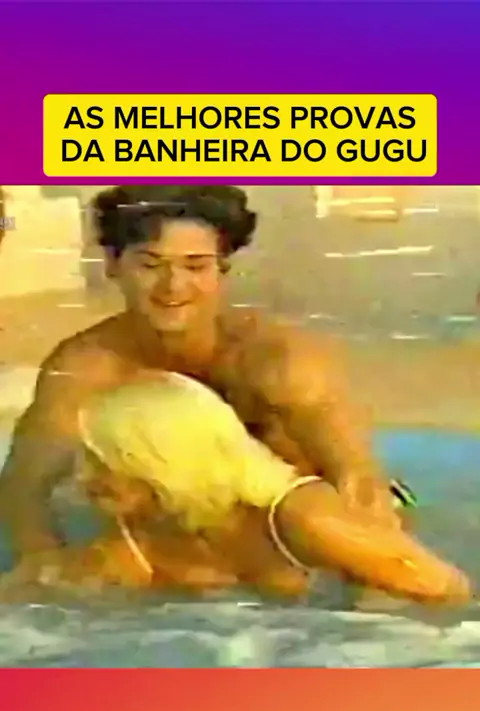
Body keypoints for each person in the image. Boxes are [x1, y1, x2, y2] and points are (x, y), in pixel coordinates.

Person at [0, 184, 401, 583]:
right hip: (180, 559)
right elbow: (23, 487)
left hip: (300, 549)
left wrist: (370, 594)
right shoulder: (86, 369)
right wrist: (44, 565)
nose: (173, 286)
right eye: (150, 265)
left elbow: (360, 481)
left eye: (195, 267)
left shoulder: (277, 363)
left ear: (222, 269)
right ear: (112, 264)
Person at [1, 375, 469, 606]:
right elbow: (38, 588)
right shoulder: (142, 538)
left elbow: (450, 594)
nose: (82, 478)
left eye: (102, 461)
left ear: (161, 466)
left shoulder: (306, 519)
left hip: (364, 515)